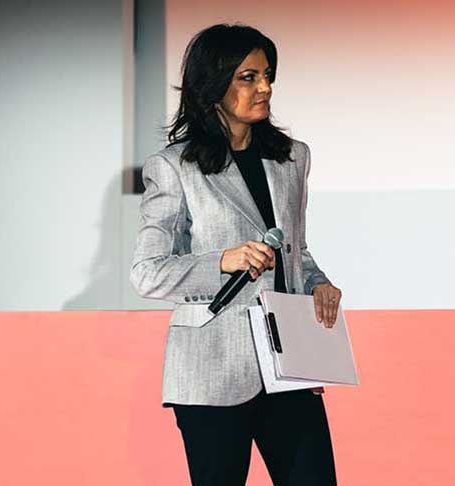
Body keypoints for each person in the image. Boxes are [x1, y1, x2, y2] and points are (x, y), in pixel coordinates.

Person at [129, 23, 342, 485]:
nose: (264, 88)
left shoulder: (292, 158)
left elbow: (294, 250)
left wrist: (317, 283)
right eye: (248, 77)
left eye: (267, 76)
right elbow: (147, 273)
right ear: (212, 85)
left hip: (289, 362)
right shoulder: (173, 167)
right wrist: (222, 261)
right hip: (212, 369)